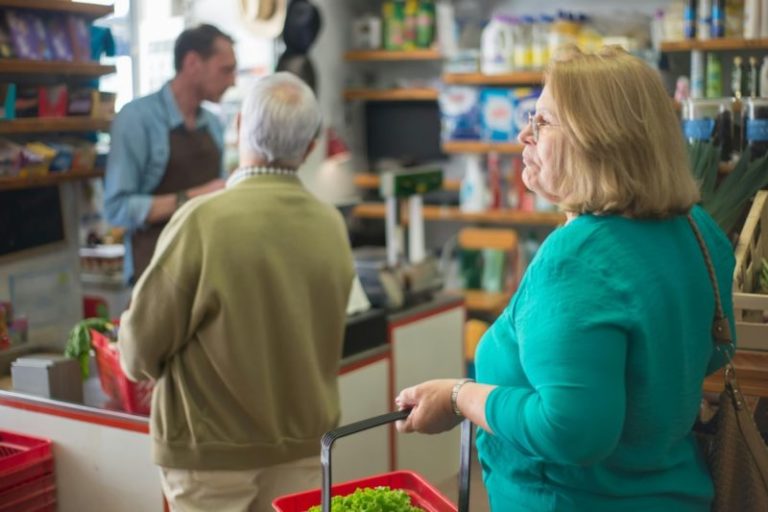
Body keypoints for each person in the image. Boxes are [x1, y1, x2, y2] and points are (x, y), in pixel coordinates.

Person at [395, 46, 736, 512]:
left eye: (542, 123)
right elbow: (719, 346)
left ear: (598, 139)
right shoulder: (698, 229)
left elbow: (571, 433)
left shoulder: (575, 261)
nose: (523, 134)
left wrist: (459, 396)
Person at [117, 72, 355, 511]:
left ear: (240, 125)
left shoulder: (201, 222)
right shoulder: (330, 224)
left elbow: (136, 354)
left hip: (210, 457)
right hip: (303, 446)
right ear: (307, 147)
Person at [104, 24, 236, 285]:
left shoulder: (212, 124)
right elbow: (117, 209)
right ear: (192, 63)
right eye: (226, 70)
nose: (233, 81)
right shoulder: (136, 119)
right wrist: (194, 197)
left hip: (207, 269)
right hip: (155, 271)